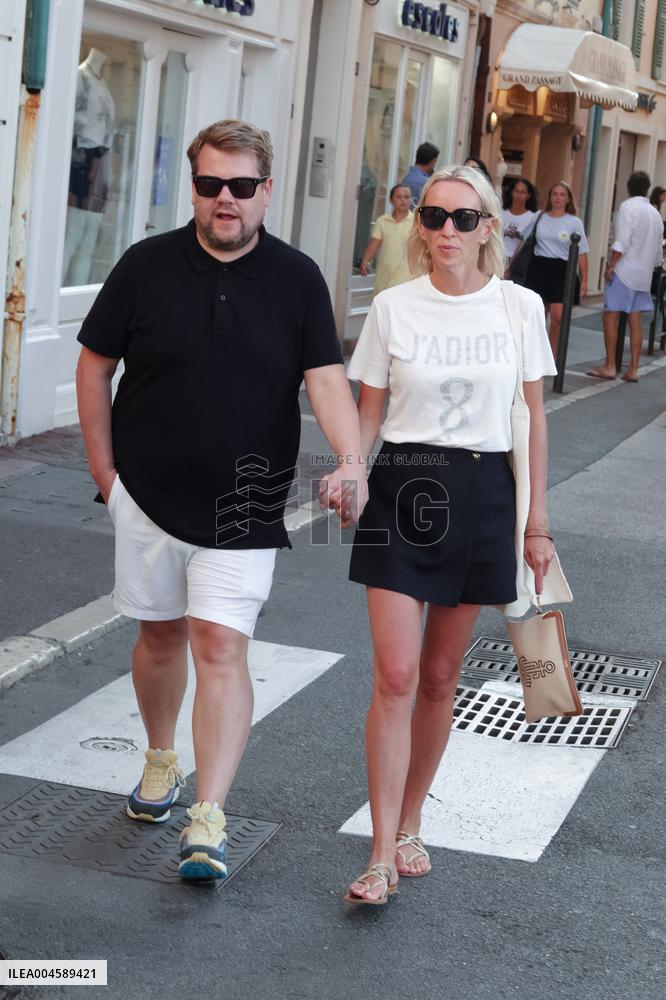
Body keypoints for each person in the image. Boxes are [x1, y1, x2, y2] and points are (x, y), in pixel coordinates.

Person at [76, 119, 367, 881]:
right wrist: (107, 477)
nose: (226, 200)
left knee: (220, 645)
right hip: (147, 492)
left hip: (245, 496)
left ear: (266, 192)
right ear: (195, 189)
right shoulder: (145, 266)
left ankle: (209, 814)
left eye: (242, 186)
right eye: (211, 186)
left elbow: (327, 378)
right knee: (160, 640)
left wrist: (351, 458)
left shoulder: (298, 278)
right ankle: (161, 757)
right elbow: (93, 365)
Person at [343, 164, 565, 905]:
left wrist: (536, 522)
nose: (446, 232)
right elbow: (368, 413)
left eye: (463, 220)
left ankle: (411, 822)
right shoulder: (394, 308)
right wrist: (350, 468)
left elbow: (530, 420)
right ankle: (377, 855)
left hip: (484, 493)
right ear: (420, 225)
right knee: (397, 675)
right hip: (404, 487)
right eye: (434, 217)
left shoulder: (519, 307)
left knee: (440, 678)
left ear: (488, 228)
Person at [588, 171, 663, 384]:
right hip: (644, 273)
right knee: (635, 318)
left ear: (628, 186)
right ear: (647, 188)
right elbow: (658, 252)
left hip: (625, 270)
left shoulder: (628, 207)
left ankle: (610, 365)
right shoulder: (654, 212)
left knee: (610, 315)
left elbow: (621, 241)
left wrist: (611, 266)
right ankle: (633, 369)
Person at [525, 180, 589, 356]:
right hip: (539, 267)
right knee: (537, 315)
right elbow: (524, 241)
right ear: (550, 197)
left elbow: (582, 251)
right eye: (554, 194)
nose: (558, 198)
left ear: (568, 199)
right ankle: (533, 353)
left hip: (562, 270)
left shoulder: (574, 222)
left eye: (562, 195)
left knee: (558, 316)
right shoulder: (539, 217)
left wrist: (584, 279)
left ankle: (552, 355)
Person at [359, 184, 413, 294]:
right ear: (391, 200)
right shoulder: (382, 221)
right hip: (385, 275)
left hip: (406, 277)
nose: (403, 200)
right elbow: (374, 244)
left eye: (406, 197)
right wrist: (365, 262)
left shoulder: (417, 222)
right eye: (399, 197)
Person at [501, 177, 538, 261]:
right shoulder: (500, 213)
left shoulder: (533, 217)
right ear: (511, 193)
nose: (519, 195)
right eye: (516, 191)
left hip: (518, 262)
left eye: (523, 192)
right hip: (497, 259)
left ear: (528, 195)